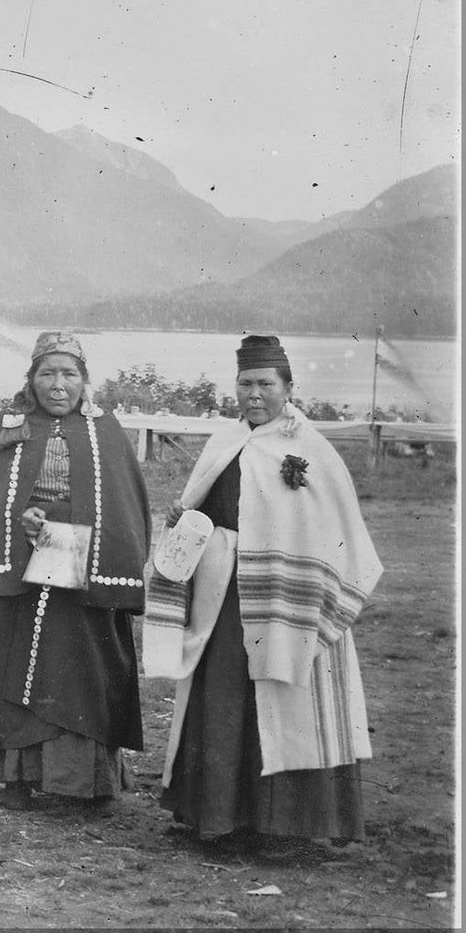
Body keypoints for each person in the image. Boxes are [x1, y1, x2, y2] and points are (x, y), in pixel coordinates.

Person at [145, 335, 382, 854]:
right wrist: (184, 520)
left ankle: (286, 824)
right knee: (223, 697)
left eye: (266, 384)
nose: (255, 395)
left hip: (285, 601)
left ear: (288, 387)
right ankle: (215, 814)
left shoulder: (310, 449)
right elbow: (202, 507)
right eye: (246, 384)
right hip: (225, 597)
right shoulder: (224, 442)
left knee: (286, 700)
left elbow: (336, 530)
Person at [0, 331, 149, 812]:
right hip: (24, 568)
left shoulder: (105, 431)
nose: (58, 384)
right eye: (47, 373)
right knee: (18, 664)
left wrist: (82, 528)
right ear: (31, 379)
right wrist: (20, 516)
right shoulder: (7, 427)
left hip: (88, 569)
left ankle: (86, 784)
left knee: (85, 667)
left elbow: (128, 504)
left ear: (85, 382)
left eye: (69, 374)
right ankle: (21, 778)